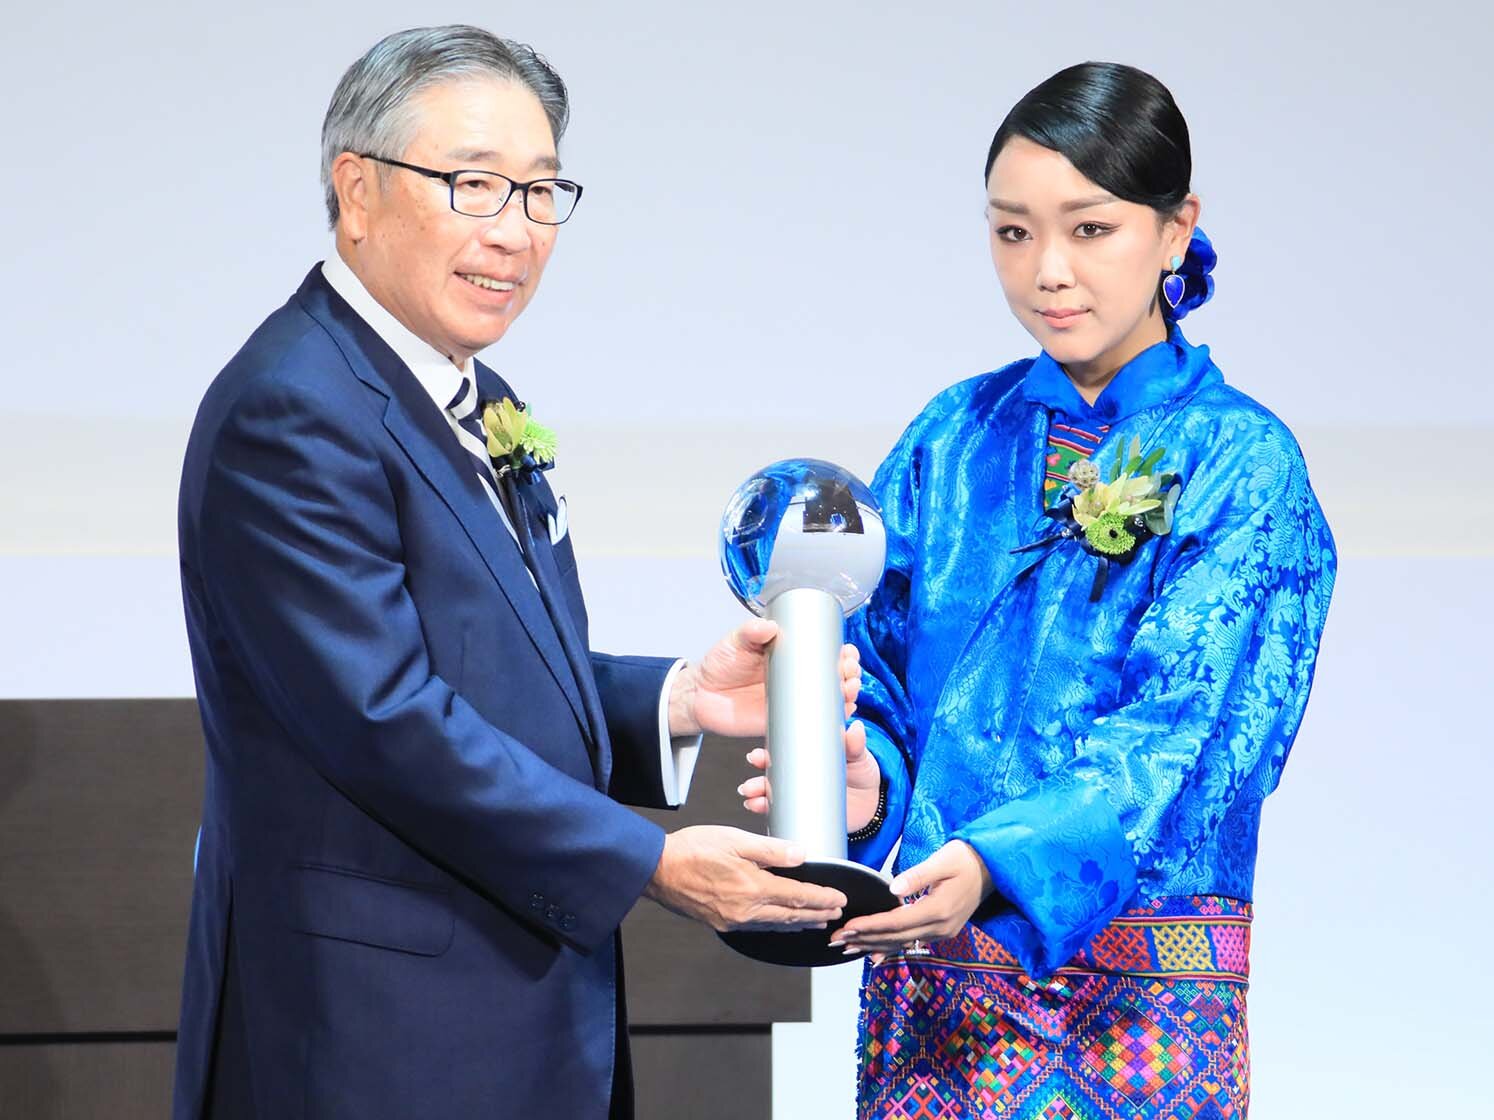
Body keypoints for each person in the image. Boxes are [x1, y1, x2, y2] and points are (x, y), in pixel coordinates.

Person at [172, 25, 858, 1120]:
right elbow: (385, 717)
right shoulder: (292, 406)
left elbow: (485, 664)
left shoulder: (473, 396)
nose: (517, 233)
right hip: (369, 1037)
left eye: (542, 193)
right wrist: (651, 862)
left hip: (512, 1016)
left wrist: (676, 697)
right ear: (357, 191)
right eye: (475, 186)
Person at [740, 61, 1336, 1117]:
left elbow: (1191, 735)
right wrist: (867, 782)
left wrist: (994, 864)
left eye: (1090, 229)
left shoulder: (1243, 462)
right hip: (933, 994)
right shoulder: (952, 438)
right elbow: (873, 675)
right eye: (1012, 233)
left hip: (1141, 1016)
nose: (1047, 271)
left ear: (1174, 226)